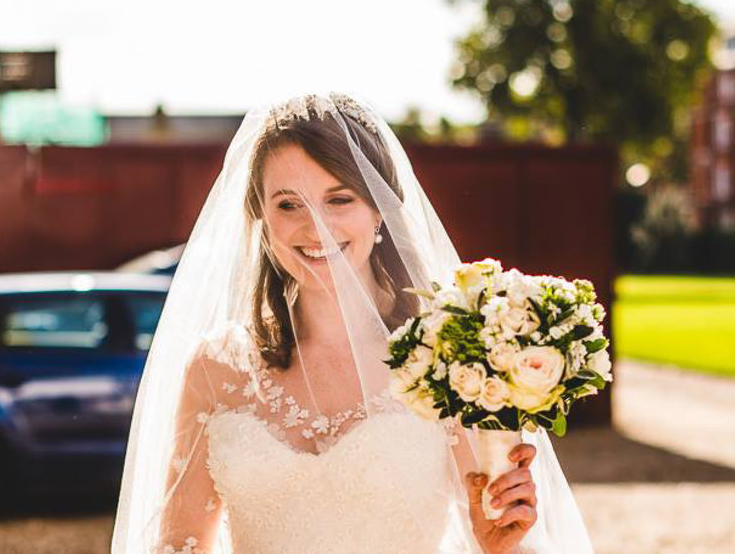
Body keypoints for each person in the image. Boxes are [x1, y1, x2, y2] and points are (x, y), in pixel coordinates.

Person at [110, 92, 595, 554]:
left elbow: (501, 531)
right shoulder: (217, 367)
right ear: (260, 216)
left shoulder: (453, 361)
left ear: (379, 211)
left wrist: (501, 536)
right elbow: (179, 543)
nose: (315, 227)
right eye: (288, 204)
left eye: (339, 199)